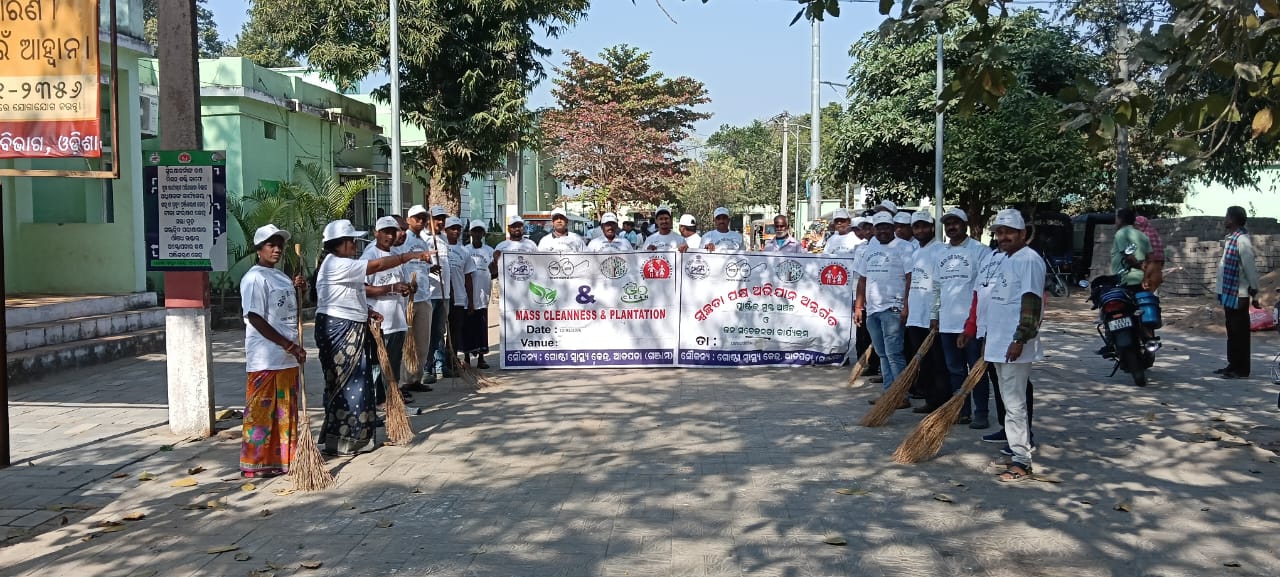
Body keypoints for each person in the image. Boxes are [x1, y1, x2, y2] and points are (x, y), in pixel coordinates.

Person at [314, 219, 431, 456]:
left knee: (357, 382)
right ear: (338, 244)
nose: (354, 244)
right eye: (350, 241)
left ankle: (355, 437)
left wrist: (367, 311)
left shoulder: (344, 264)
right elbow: (376, 266)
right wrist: (409, 256)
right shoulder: (337, 263)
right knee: (349, 384)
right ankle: (346, 439)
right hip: (340, 327)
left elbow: (350, 293)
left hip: (353, 324)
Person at [958, 208, 1045, 483]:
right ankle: (1016, 451)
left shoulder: (1028, 260)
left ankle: (1022, 461)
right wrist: (985, 337)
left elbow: (1032, 304)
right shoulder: (1005, 259)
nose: (1003, 237)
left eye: (1009, 232)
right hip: (998, 342)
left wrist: (1020, 339)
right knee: (1008, 402)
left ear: (1023, 233)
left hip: (1013, 343)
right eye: (999, 232)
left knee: (1015, 404)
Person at [239, 224, 307, 478]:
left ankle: (284, 459)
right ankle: (256, 463)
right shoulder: (254, 278)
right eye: (271, 245)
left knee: (286, 412)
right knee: (261, 413)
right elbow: (255, 317)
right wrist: (288, 345)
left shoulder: (280, 277)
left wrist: (300, 289)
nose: (276, 249)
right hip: (266, 356)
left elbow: (287, 308)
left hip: (287, 357)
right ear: (259, 249)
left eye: (280, 245)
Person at [933, 209, 992, 429]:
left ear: (965, 225)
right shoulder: (941, 253)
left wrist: (978, 321)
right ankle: (961, 410)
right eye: (947, 223)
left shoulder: (980, 251)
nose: (951, 227)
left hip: (972, 324)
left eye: (955, 222)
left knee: (976, 370)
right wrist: (934, 315)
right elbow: (937, 287)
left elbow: (986, 289)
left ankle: (981, 413)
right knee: (955, 371)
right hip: (947, 323)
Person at [854, 211, 913, 401]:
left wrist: (906, 305)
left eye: (887, 227)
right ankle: (889, 393)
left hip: (893, 307)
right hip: (873, 310)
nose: (883, 231)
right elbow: (862, 279)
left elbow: (910, 278)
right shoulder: (870, 248)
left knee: (894, 353)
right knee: (883, 354)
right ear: (874, 229)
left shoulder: (904, 247)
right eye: (879, 228)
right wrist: (858, 307)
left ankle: (901, 395)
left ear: (893, 228)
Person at [362, 216, 413, 409]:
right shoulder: (369, 256)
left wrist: (407, 288)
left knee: (393, 363)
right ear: (376, 233)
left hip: (397, 319)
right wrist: (391, 288)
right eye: (386, 232)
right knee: (380, 363)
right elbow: (362, 288)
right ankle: (381, 400)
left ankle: (393, 397)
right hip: (380, 320)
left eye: (393, 232)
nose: (390, 236)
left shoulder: (395, 256)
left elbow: (402, 282)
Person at [903, 211, 948, 413]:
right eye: (917, 227)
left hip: (931, 316)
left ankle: (940, 401)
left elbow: (940, 284)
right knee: (924, 362)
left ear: (932, 227)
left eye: (924, 226)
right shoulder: (915, 252)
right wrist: (907, 306)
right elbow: (911, 281)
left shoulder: (940, 250)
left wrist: (936, 313)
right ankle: (930, 399)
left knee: (937, 361)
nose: (920, 230)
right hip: (915, 315)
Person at [1216, 205, 1261, 379]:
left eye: (1227, 216)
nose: (1225, 219)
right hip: (1229, 293)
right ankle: (1232, 364)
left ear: (1233, 219)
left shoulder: (1242, 240)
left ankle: (1242, 369)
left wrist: (1255, 293)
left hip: (1239, 294)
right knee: (1232, 332)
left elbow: (1250, 269)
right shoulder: (1231, 239)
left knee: (1240, 333)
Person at [400, 205, 438, 392]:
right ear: (408, 220)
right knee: (408, 342)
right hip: (408, 297)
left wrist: (431, 266)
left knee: (423, 342)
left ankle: (416, 378)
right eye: (417, 218)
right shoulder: (402, 240)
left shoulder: (424, 242)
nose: (421, 221)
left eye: (423, 218)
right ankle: (404, 381)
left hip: (424, 295)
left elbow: (422, 266)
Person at [442, 217, 474, 371]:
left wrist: (471, 301)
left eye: (458, 229)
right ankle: (438, 363)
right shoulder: (441, 248)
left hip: (460, 298)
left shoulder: (465, 251)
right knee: (439, 332)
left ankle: (452, 360)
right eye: (452, 228)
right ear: (445, 230)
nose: (455, 231)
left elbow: (468, 277)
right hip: (442, 296)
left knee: (455, 332)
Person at [464, 220, 494, 368]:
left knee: (481, 328)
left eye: (480, 231)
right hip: (467, 297)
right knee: (467, 328)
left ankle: (481, 358)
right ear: (470, 233)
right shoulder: (465, 250)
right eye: (474, 231)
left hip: (483, 296)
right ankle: (467, 358)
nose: (477, 234)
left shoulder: (490, 250)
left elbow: (493, 271)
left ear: (483, 233)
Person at [1111, 207, 1151, 289]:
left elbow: (1128, 256)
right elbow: (1149, 257)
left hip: (1126, 279)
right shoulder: (1142, 235)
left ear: (1121, 219)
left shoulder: (1120, 233)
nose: (1115, 221)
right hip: (1142, 279)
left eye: (1116, 218)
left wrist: (1139, 266)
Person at [1134, 215, 1165, 291]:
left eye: (1136, 225)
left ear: (1140, 225)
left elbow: (1149, 258)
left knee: (1146, 292)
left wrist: (1145, 277)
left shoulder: (1145, 235)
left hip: (1151, 267)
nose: (1135, 228)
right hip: (1158, 267)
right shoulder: (1153, 232)